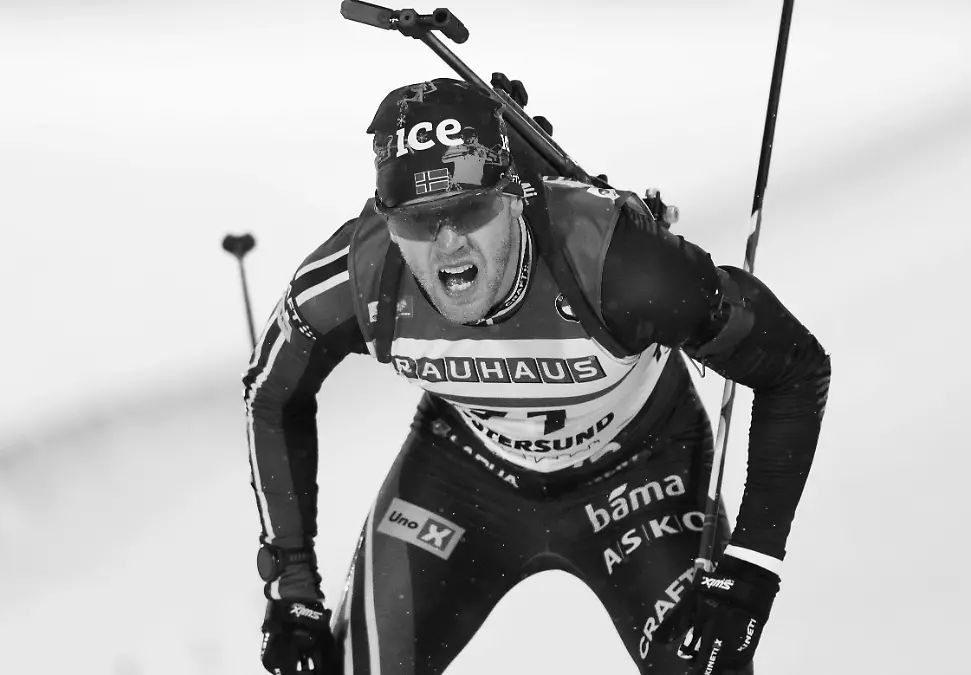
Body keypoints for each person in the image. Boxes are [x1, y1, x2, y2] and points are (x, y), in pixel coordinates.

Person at [243, 77, 831, 675]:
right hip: (464, 478)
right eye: (418, 222)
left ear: (513, 196)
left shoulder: (618, 266)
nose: (448, 244)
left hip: (641, 474)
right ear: (386, 221)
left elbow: (795, 368)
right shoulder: (360, 276)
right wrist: (292, 591)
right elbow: (270, 396)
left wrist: (754, 563)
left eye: (470, 210)